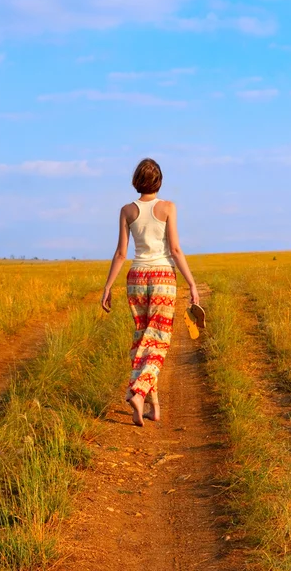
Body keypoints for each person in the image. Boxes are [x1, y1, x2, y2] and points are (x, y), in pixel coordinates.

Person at [101, 158, 199, 427]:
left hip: (136, 277)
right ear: (159, 181)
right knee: (159, 341)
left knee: (143, 338)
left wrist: (108, 286)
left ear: (136, 180)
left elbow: (121, 253)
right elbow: (176, 250)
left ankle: (152, 406)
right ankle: (139, 391)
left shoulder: (127, 210)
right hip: (163, 278)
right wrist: (191, 283)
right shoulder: (168, 207)